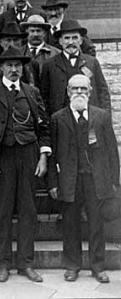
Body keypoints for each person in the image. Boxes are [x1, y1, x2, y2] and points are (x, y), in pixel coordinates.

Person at [0, 46, 51, 283]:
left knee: (28, 210)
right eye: (10, 65)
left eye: (18, 65)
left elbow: (44, 128)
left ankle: (26, 263)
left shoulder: (32, 91)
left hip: (29, 155)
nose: (15, 69)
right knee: (4, 211)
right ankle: (3, 263)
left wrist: (43, 156)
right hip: (2, 157)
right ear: (0, 69)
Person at [48, 74, 119, 284]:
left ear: (90, 92)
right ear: (68, 92)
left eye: (84, 89)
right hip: (70, 179)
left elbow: (111, 150)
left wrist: (114, 180)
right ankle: (72, 265)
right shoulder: (57, 118)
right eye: (75, 89)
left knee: (97, 223)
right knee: (70, 224)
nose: (79, 92)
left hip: (96, 179)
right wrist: (52, 182)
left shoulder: (101, 116)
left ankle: (98, 266)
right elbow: (51, 152)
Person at [40, 20, 110, 117]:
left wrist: (105, 117)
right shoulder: (50, 64)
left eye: (74, 38)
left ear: (81, 41)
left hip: (88, 117)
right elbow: (44, 96)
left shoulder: (92, 62)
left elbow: (103, 92)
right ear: (60, 41)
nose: (71, 42)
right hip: (61, 120)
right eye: (67, 38)